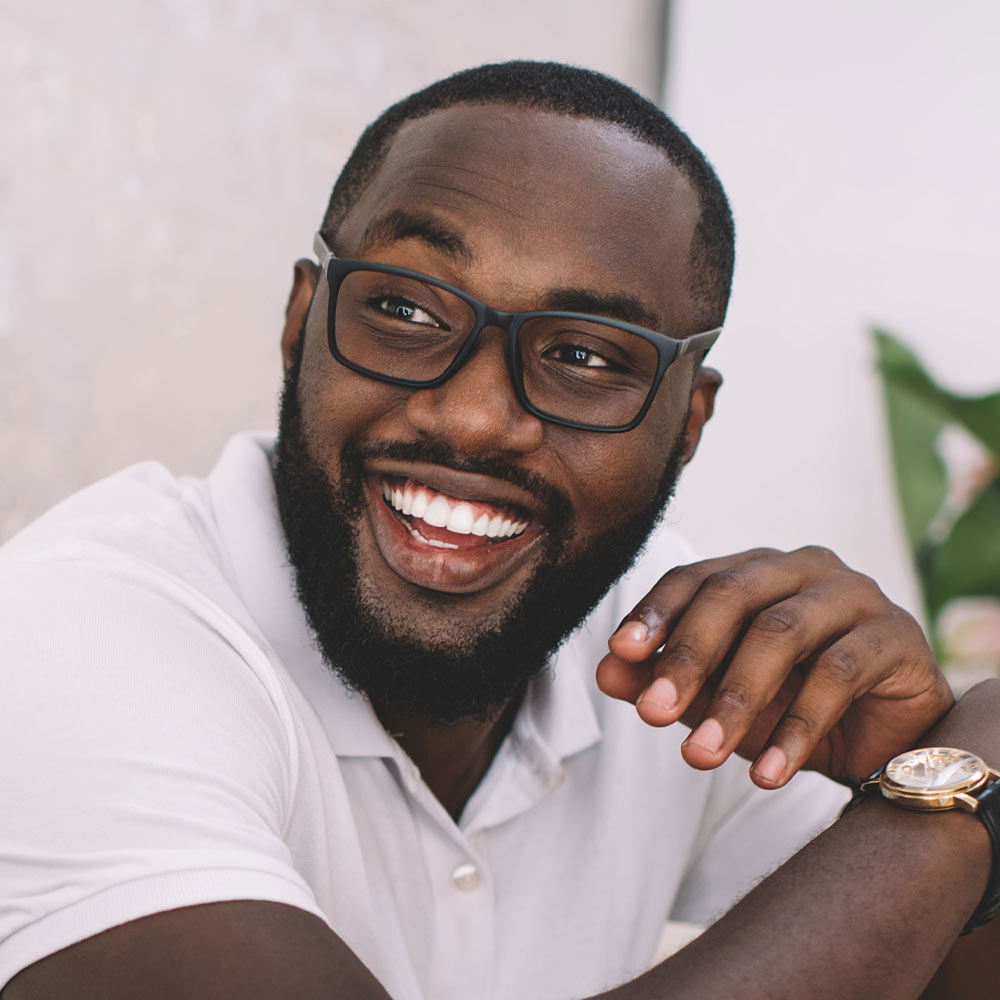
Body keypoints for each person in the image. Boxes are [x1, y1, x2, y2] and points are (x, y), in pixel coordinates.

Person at [0, 61, 997, 1000]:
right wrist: (952, 794)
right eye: (405, 308)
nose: (474, 417)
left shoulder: (674, 646)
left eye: (585, 355)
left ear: (687, 423)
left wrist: (911, 767)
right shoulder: (70, 638)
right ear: (302, 321)